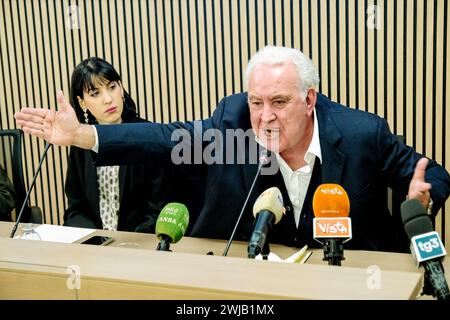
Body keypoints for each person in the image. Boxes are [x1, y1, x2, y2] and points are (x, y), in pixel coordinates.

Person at [15, 46, 450, 252]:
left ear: (309, 99)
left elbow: (434, 173)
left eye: (279, 102)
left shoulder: (361, 134)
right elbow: (167, 139)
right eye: (257, 102)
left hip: (353, 274)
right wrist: (83, 137)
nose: (264, 117)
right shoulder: (233, 124)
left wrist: (420, 199)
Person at [60, 57, 177, 233]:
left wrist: (127, 244)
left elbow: (159, 208)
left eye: (112, 87)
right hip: (95, 246)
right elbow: (76, 207)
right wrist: (94, 240)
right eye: (95, 93)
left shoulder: (146, 135)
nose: (108, 99)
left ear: (121, 88)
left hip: (140, 244)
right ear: (82, 102)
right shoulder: (80, 140)